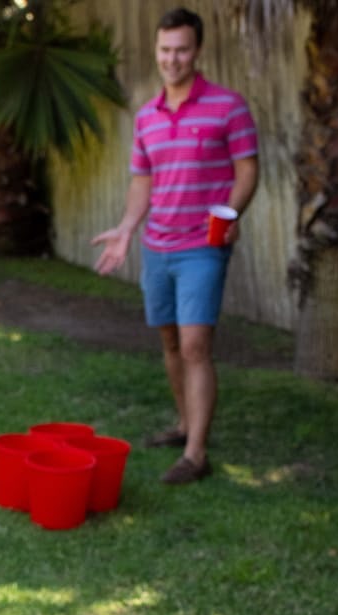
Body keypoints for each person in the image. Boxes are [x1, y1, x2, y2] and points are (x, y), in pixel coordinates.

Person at [91, 7, 259, 485]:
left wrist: (230, 214)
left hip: (202, 245)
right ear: (157, 50)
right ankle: (185, 423)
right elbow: (142, 180)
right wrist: (127, 228)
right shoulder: (147, 116)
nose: (172, 59)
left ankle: (196, 455)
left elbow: (248, 169)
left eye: (182, 50)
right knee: (169, 341)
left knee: (194, 345)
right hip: (157, 245)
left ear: (197, 50)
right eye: (165, 50)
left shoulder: (228, 106)